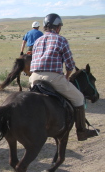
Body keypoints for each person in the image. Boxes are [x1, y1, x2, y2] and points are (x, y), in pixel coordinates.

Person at [29, 13, 99, 141]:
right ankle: (82, 132)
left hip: (33, 78)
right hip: (53, 78)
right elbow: (70, 64)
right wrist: (67, 76)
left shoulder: (38, 40)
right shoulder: (61, 39)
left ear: (44, 27)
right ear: (58, 27)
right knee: (79, 97)